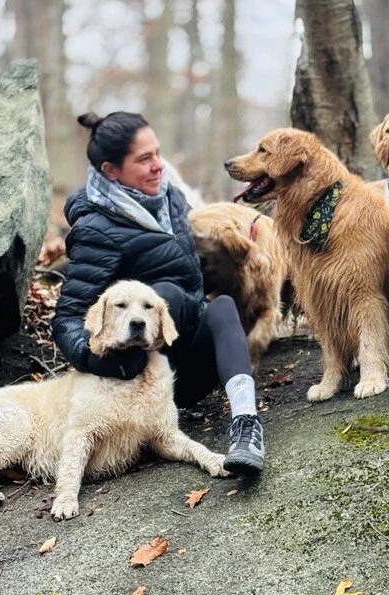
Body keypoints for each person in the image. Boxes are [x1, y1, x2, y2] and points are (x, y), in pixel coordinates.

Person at [52, 111, 264, 474]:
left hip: (184, 370)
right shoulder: (96, 229)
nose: (158, 166)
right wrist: (106, 362)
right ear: (110, 171)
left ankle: (246, 425)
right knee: (168, 295)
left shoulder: (171, 200)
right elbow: (67, 317)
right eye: (144, 159)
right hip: (136, 379)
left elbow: (189, 276)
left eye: (158, 153)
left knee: (222, 306)